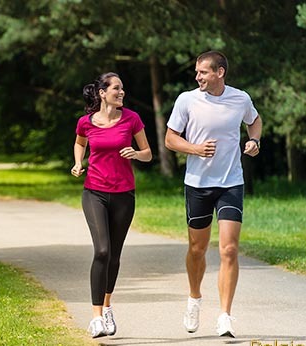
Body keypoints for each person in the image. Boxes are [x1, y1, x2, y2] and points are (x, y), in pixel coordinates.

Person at [164, 51, 262, 338]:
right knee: (197, 249)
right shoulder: (187, 100)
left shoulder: (240, 98)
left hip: (231, 182)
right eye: (197, 72)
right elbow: (170, 139)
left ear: (220, 72)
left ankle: (225, 316)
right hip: (198, 184)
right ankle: (194, 298)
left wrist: (254, 139)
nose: (197, 77)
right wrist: (195, 148)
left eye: (203, 72)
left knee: (229, 249)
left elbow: (254, 120)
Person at [71, 72, 152, 338]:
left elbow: (148, 153)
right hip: (94, 192)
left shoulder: (132, 119)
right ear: (102, 93)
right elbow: (80, 142)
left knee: (114, 256)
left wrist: (136, 154)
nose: (122, 92)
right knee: (102, 251)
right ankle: (95, 318)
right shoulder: (86, 122)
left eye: (122, 88)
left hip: (124, 194)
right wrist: (78, 162)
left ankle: (107, 306)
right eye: (116, 88)